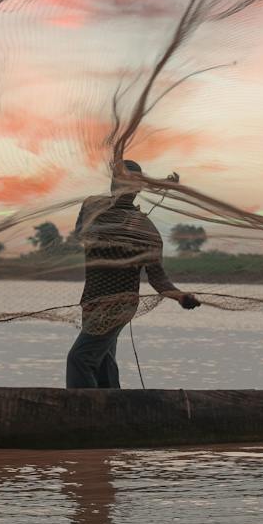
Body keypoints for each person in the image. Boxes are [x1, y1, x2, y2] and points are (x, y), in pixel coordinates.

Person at [65, 160, 201, 388]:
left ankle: (83, 413)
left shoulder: (146, 230)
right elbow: (81, 234)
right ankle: (115, 411)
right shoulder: (94, 207)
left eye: (131, 183)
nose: (123, 187)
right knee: (103, 361)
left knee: (80, 358)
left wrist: (180, 296)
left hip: (119, 305)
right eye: (119, 181)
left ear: (138, 188)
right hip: (91, 302)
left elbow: (158, 278)